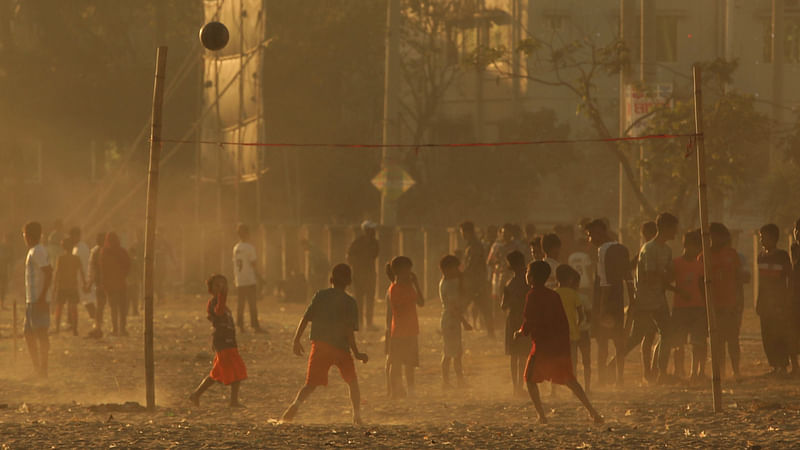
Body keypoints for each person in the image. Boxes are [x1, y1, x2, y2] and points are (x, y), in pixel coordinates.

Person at [514, 261, 603, 425]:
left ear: (531, 277)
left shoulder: (532, 295)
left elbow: (529, 319)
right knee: (570, 380)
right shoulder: (553, 295)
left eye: (527, 272)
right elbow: (562, 321)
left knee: (529, 379)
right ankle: (593, 412)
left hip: (541, 346)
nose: (526, 275)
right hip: (559, 345)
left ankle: (541, 416)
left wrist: (521, 333)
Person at [281, 264, 368, 425]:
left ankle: (295, 405)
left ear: (331, 279)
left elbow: (306, 318)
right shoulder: (350, 302)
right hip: (341, 348)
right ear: (349, 282)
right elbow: (349, 331)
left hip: (321, 346)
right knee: (352, 382)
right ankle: (356, 415)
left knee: (310, 384)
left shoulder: (320, 296)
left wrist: (296, 339)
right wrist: (356, 353)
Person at [630, 213, 679, 384]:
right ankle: (614, 367)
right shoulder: (649, 249)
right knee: (639, 337)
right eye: (674, 228)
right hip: (645, 300)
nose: (676, 232)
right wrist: (666, 277)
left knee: (666, 333)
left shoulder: (666, 250)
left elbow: (667, 275)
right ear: (665, 228)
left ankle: (660, 373)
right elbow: (651, 276)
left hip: (658, 298)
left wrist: (668, 280)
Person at [584, 219, 633, 386]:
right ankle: (619, 379)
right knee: (619, 340)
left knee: (602, 342)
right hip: (618, 299)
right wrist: (632, 298)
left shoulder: (603, 250)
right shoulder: (621, 248)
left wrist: (601, 308)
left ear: (600, 232)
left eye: (591, 234)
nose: (589, 238)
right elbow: (628, 275)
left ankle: (602, 379)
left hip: (604, 300)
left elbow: (604, 282)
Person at [190, 274, 247, 407]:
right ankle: (233, 401)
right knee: (236, 370)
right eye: (217, 285)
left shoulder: (222, 303)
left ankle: (196, 394)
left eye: (223, 284)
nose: (221, 287)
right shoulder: (215, 302)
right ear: (211, 288)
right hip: (223, 342)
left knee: (217, 373)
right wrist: (223, 295)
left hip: (228, 341)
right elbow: (218, 312)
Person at [701, 223, 743, 380]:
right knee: (717, 341)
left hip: (731, 303)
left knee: (733, 339)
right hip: (713, 305)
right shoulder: (704, 256)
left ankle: (736, 370)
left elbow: (738, 279)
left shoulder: (732, 254)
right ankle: (721, 371)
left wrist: (740, 302)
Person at [756, 223, 796, 375]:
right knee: (766, 335)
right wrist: (759, 301)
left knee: (779, 334)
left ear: (773, 237)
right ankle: (774, 365)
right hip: (765, 302)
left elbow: (789, 278)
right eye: (760, 237)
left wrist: (787, 299)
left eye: (763, 237)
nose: (761, 240)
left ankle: (782, 366)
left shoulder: (782, 255)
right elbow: (761, 282)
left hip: (779, 302)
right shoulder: (761, 256)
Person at [671, 230, 707, 382]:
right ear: (686, 245)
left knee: (698, 341)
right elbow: (667, 282)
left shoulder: (700, 265)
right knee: (678, 342)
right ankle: (679, 371)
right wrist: (679, 291)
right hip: (680, 307)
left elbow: (702, 286)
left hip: (698, 307)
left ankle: (697, 372)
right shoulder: (676, 263)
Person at [387, 256, 424, 398]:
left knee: (410, 364)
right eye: (406, 270)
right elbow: (400, 309)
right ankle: (395, 391)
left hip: (412, 330)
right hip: (398, 332)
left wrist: (416, 284)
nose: (409, 273)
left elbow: (421, 302)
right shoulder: (394, 289)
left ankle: (410, 390)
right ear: (397, 271)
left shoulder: (409, 287)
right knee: (396, 364)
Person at [438, 255, 472, 389]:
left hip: (451, 320)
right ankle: (447, 382)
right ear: (447, 269)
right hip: (451, 320)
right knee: (450, 353)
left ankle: (457, 380)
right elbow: (452, 308)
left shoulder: (449, 282)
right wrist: (464, 322)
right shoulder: (448, 285)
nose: (457, 270)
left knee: (456, 352)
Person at [23, 222, 52, 377]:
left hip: (38, 299)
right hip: (32, 299)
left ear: (28, 235)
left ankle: (43, 368)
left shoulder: (38, 251)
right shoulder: (33, 251)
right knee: (28, 333)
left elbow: (48, 272)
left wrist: (42, 296)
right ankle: (37, 367)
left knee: (40, 333)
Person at [501, 250, 531, 396]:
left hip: (512, 319)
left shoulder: (509, 284)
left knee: (514, 355)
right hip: (525, 319)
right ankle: (521, 385)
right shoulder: (528, 282)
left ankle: (516, 388)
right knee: (523, 354)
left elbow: (503, 306)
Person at [459, 221, 492, 337]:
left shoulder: (475, 246)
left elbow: (473, 264)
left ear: (468, 232)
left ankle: (491, 333)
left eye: (462, 232)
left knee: (482, 307)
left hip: (476, 282)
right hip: (473, 281)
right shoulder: (471, 245)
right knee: (466, 306)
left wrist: (462, 274)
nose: (462, 235)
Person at [555, 265, 584, 387]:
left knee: (556, 361)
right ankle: (574, 386)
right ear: (570, 279)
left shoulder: (554, 293)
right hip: (572, 334)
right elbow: (581, 315)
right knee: (573, 362)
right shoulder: (573, 294)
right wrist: (577, 325)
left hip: (557, 335)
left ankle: (554, 389)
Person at [347, 221, 379, 329]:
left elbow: (375, 254)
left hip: (370, 274)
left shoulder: (374, 242)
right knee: (359, 300)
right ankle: (359, 323)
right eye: (371, 230)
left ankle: (369, 322)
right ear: (366, 230)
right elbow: (349, 257)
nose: (373, 232)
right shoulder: (357, 242)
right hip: (359, 274)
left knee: (370, 299)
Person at [232, 224, 263, 333]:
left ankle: (240, 325)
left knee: (240, 304)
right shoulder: (250, 248)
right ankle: (255, 326)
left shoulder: (236, 248)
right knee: (252, 304)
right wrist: (260, 277)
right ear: (247, 234)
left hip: (239, 279)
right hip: (249, 279)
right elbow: (253, 264)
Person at [100, 232, 130, 336]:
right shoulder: (122, 251)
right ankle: (122, 329)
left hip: (111, 284)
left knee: (114, 307)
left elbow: (102, 269)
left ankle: (115, 329)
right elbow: (128, 266)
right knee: (122, 307)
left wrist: (104, 282)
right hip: (120, 283)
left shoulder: (104, 252)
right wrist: (123, 275)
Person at [53, 238, 85, 335]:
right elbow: (82, 272)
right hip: (73, 287)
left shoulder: (61, 258)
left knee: (59, 308)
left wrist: (54, 286)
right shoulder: (76, 259)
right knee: (73, 309)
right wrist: (85, 284)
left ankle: (57, 329)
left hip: (62, 286)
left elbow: (57, 273)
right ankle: (75, 329)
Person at [87, 232, 106, 338]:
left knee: (100, 306)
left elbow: (92, 269)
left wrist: (89, 283)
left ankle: (98, 328)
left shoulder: (96, 251)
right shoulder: (103, 250)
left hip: (101, 282)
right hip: (105, 282)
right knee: (102, 306)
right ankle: (99, 328)